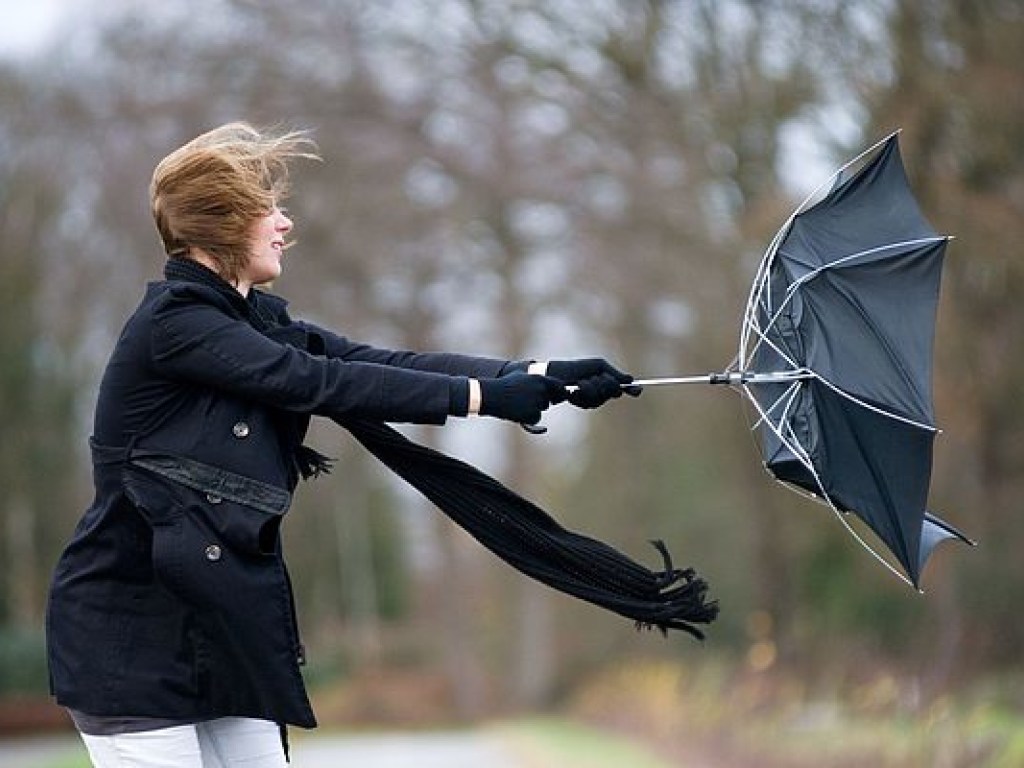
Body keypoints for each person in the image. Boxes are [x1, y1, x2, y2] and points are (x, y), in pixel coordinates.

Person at [45, 122, 639, 767]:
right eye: (267, 209)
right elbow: (317, 381)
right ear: (224, 223)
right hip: (130, 640)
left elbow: (371, 358)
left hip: (222, 632)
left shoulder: (254, 320)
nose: (284, 224)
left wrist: (531, 374)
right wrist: (482, 399)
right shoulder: (176, 325)